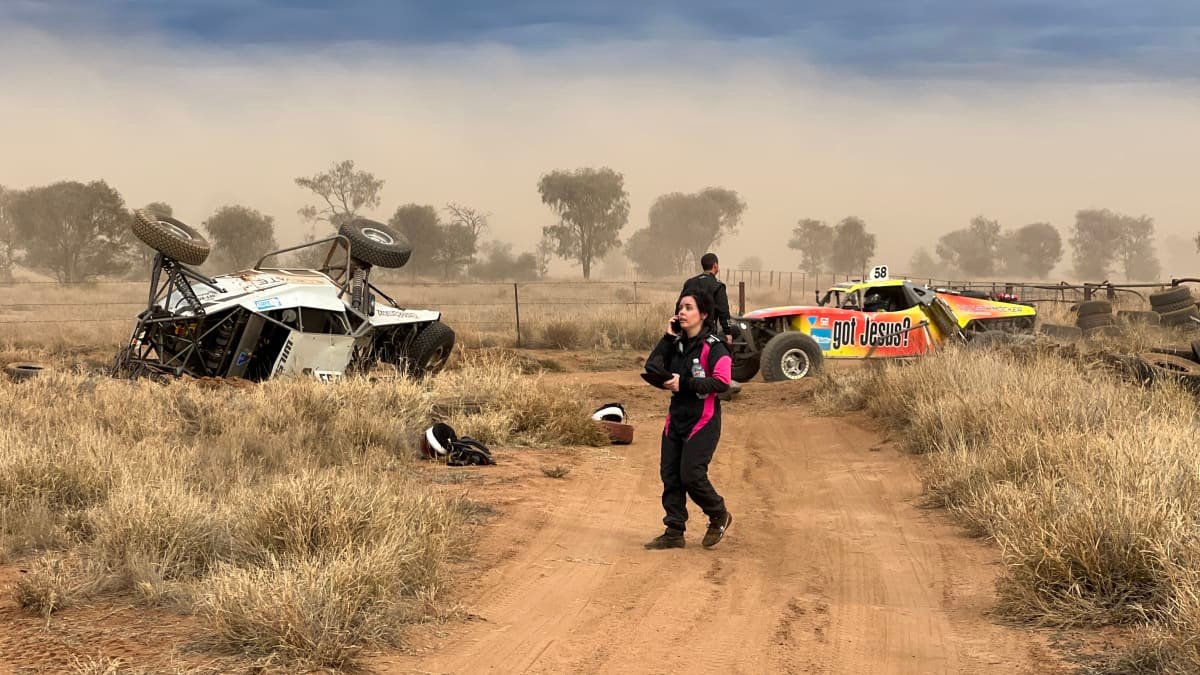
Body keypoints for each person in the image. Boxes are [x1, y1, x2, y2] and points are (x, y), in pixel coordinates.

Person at [642, 289, 734, 550]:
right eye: (680, 307)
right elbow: (652, 368)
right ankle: (674, 531)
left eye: (689, 307)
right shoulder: (677, 344)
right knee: (670, 473)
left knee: (691, 474)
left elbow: (722, 383)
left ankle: (718, 514)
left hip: (703, 419)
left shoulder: (715, 347)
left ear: (704, 314)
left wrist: (685, 383)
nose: (682, 312)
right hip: (676, 418)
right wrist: (667, 338)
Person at [679, 253, 733, 345]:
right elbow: (723, 311)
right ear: (715, 265)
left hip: (687, 330)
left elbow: (679, 306)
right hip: (706, 332)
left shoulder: (689, 282)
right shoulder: (717, 285)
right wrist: (728, 332)